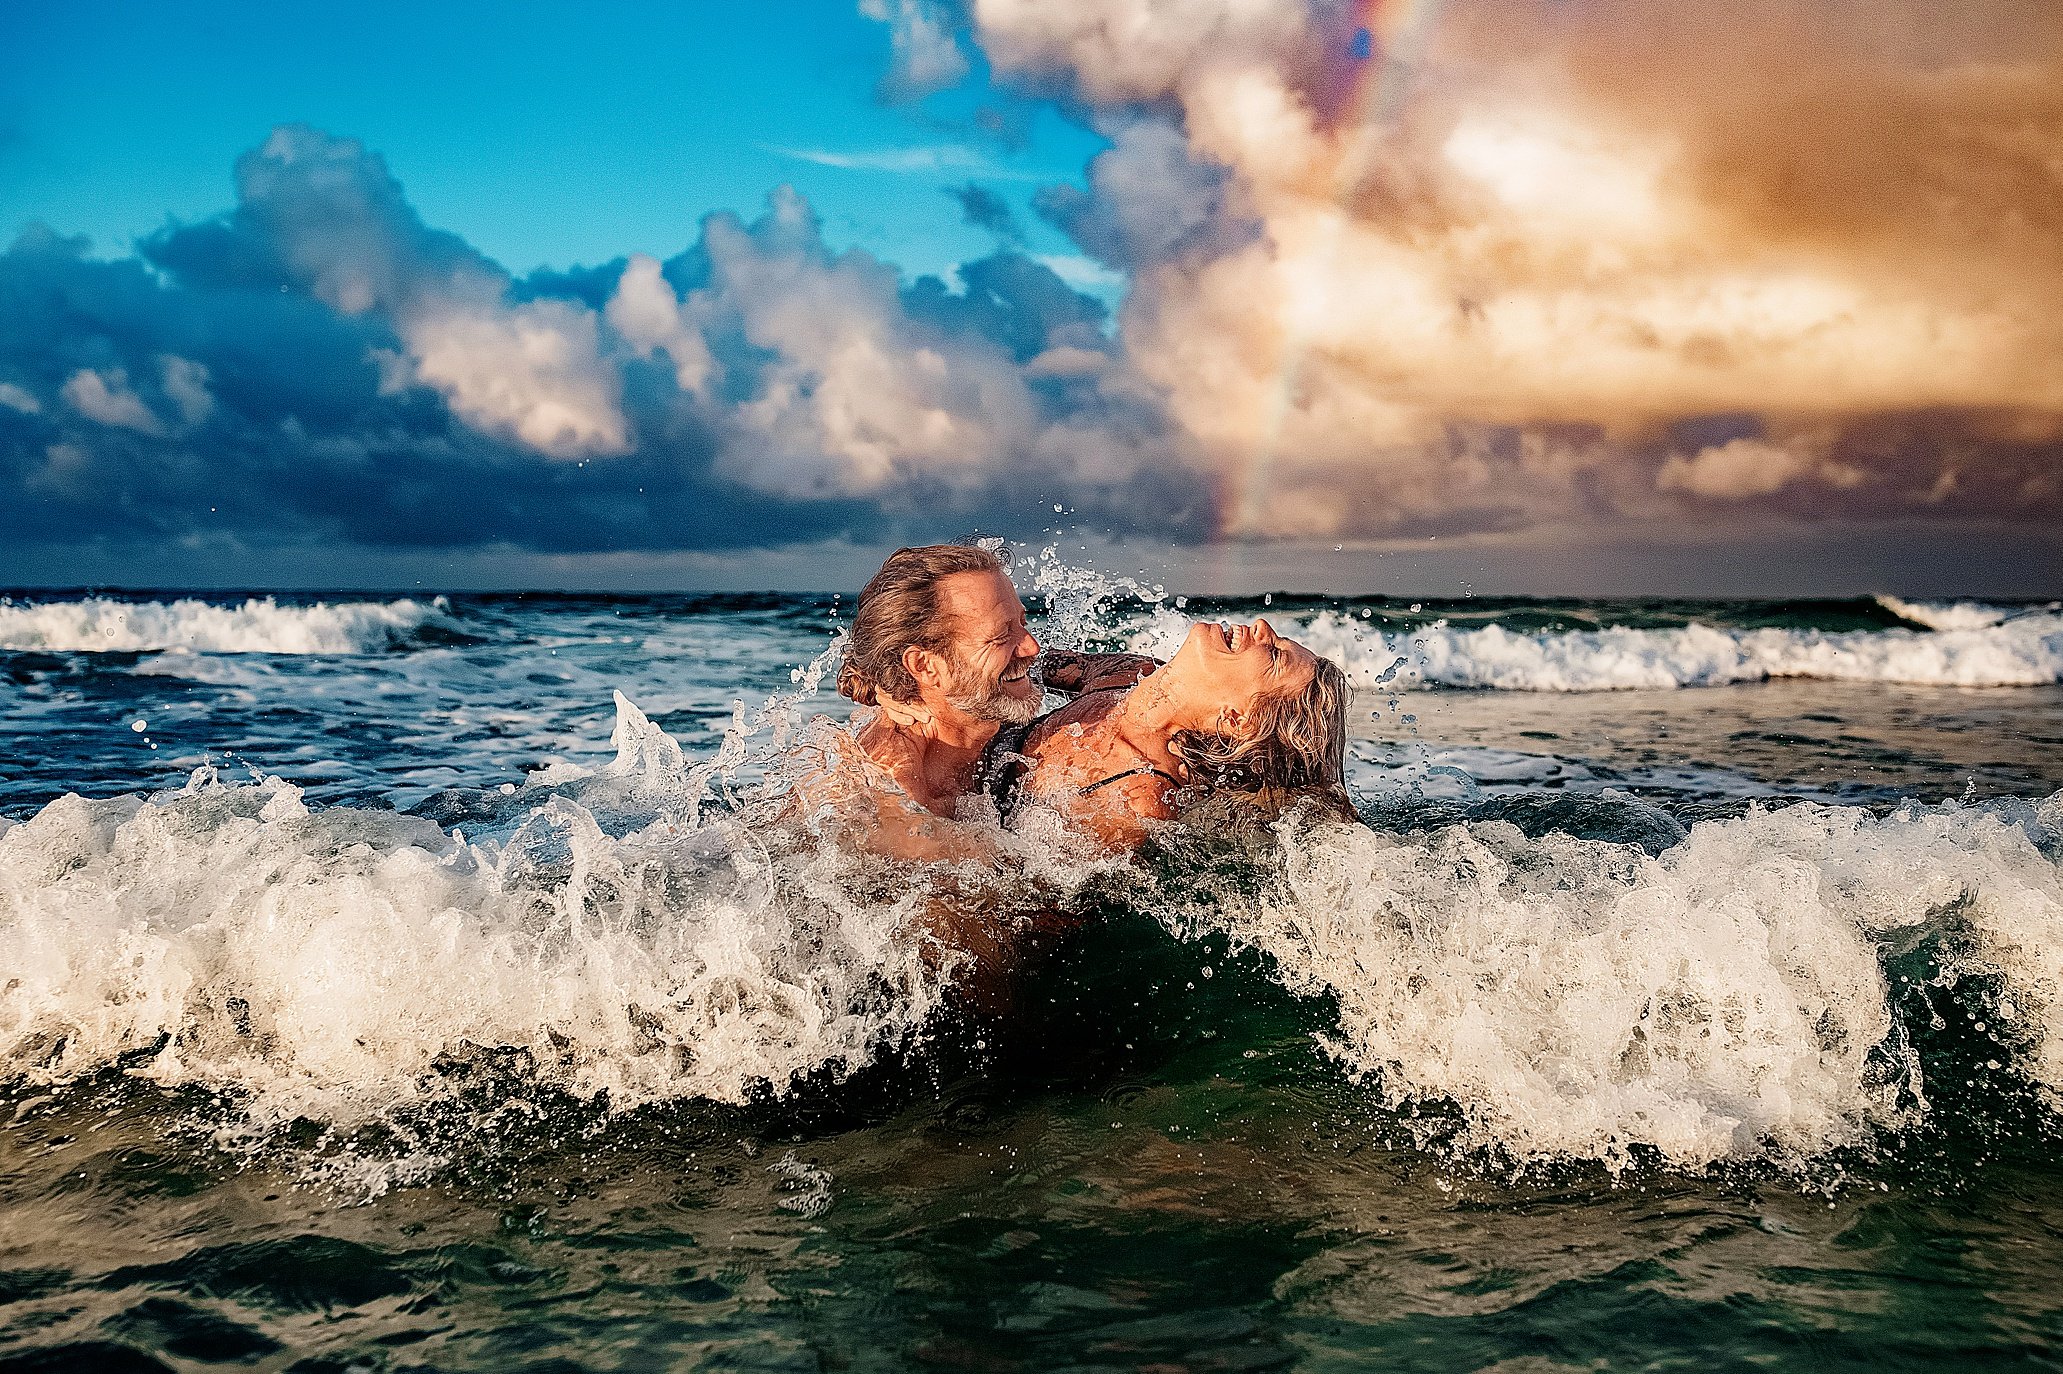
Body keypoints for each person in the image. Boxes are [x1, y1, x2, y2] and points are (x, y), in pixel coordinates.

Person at [979, 617, 1352, 852]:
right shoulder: (1129, 672)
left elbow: (1031, 902)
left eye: (1274, 655)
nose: (1261, 626)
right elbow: (999, 668)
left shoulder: (1139, 798)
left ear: (1239, 720)